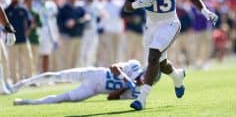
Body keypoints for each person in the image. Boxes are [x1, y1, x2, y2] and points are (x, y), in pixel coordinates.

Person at [123, 0, 218, 110]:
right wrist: (138, 4)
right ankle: (177, 76)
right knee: (160, 63)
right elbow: (127, 6)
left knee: (152, 57)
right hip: (151, 25)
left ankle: (142, 98)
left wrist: (205, 11)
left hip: (170, 23)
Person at [11, 59, 155, 105]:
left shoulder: (136, 92)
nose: (144, 80)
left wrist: (126, 87)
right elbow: (114, 67)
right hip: (94, 73)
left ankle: (25, 102)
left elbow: (110, 97)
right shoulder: (134, 65)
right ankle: (24, 82)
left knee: (60, 98)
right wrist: (127, 80)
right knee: (57, 75)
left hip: (92, 91)